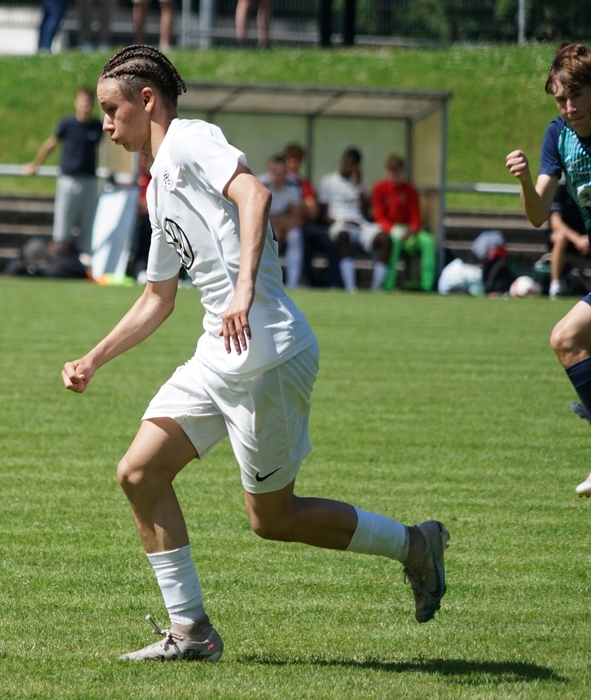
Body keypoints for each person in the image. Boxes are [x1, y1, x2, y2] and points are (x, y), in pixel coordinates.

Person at [62, 45, 450, 662]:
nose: (105, 123)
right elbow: (158, 298)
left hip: (267, 352)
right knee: (138, 473)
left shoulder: (189, 139)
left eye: (112, 109)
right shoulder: (157, 187)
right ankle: (191, 632)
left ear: (147, 100)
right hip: (217, 353)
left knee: (273, 519)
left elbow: (254, 194)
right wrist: (93, 358)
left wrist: (243, 289)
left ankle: (415, 545)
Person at [505, 43, 591, 496]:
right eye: (561, 99)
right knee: (565, 340)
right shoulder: (558, 135)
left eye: (577, 95)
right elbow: (538, 214)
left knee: (567, 336)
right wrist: (524, 180)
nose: (569, 107)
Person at [25, 86, 103, 256]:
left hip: (89, 181)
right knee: (63, 226)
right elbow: (52, 144)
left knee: (87, 226)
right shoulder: (67, 124)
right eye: (82, 103)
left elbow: (99, 151)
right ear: (76, 103)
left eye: (89, 103)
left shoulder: (97, 127)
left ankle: (84, 261)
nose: (85, 107)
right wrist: (36, 164)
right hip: (69, 180)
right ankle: (60, 259)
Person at [317, 148, 391, 292]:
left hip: (360, 225)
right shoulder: (328, 181)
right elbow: (322, 214)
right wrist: (337, 220)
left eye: (353, 164)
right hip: (340, 224)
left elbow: (366, 212)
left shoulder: (359, 183)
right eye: (347, 162)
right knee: (343, 236)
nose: (349, 166)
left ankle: (375, 288)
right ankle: (351, 287)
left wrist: (358, 185)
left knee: (385, 240)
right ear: (342, 161)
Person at [372, 154, 436, 291]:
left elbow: (416, 218)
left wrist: (411, 229)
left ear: (402, 172)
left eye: (397, 173)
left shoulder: (410, 190)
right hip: (390, 231)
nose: (394, 177)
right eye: (392, 173)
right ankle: (388, 286)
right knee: (393, 243)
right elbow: (379, 217)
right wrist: (393, 229)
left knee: (428, 241)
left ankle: (427, 287)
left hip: (409, 232)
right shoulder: (379, 188)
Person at [284, 143, 340, 288]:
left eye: (297, 160)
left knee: (330, 244)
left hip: (306, 224)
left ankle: (332, 284)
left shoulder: (304, 184)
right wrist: (303, 207)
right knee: (303, 246)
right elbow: (287, 210)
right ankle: (310, 283)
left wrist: (298, 208)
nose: (293, 164)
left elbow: (313, 211)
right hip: (289, 225)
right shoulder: (281, 182)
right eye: (290, 160)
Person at [257, 155, 303, 288]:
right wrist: (278, 223)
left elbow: (296, 218)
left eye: (281, 173)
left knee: (296, 236)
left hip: (286, 228)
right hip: (265, 227)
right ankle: (262, 283)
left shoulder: (293, 186)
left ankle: (292, 284)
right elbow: (257, 216)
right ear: (269, 170)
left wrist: (279, 224)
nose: (277, 175)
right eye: (274, 172)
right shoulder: (260, 184)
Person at [547, 185, 589, 299]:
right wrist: (577, 239)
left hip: (586, 239)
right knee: (560, 238)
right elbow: (556, 222)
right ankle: (555, 286)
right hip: (566, 238)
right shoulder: (560, 190)